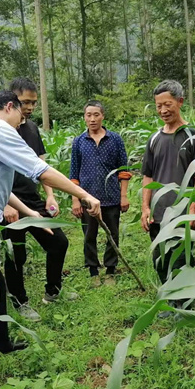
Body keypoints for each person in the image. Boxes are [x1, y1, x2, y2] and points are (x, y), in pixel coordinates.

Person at [0, 90, 101, 389]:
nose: (21, 122)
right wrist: (83, 195)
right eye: (21, 114)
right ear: (9, 106)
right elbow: (41, 171)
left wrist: (30, 213)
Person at [2, 78, 74, 323]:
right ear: (11, 100)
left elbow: (41, 165)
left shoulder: (31, 128)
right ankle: (19, 301)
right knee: (16, 254)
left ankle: (53, 291)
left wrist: (50, 195)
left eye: (34, 102)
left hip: (32, 200)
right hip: (9, 203)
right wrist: (6, 203)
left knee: (58, 242)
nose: (31, 107)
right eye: (25, 102)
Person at [141, 80, 195, 285]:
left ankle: (181, 299)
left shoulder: (194, 136)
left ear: (180, 102)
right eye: (158, 106)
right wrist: (145, 208)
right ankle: (171, 294)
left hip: (181, 213)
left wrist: (194, 209)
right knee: (160, 260)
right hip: (157, 213)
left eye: (167, 104)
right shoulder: (154, 139)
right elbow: (148, 176)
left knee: (179, 260)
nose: (163, 110)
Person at [70, 100, 131, 287]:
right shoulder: (79, 142)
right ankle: (93, 270)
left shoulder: (115, 139)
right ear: (84, 117)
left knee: (112, 234)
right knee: (89, 235)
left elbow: (123, 170)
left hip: (111, 196)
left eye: (96, 115)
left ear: (102, 116)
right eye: (88, 115)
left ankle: (111, 270)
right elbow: (74, 173)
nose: (92, 119)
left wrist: (123, 196)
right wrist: (75, 200)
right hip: (87, 198)